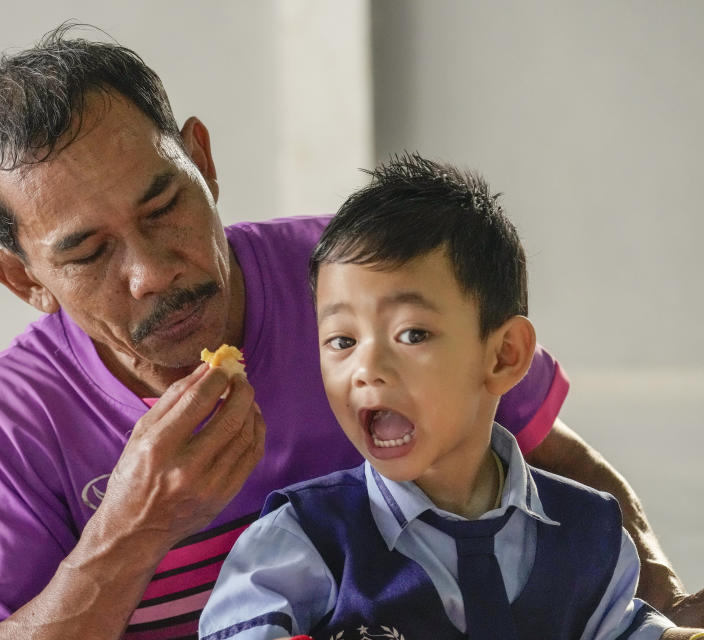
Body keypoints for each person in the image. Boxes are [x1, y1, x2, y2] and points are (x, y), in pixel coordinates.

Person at [0, 24, 702, 640]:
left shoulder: (349, 279)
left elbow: (548, 455)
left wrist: (665, 602)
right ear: (25, 280)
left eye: (164, 203)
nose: (153, 272)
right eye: (89, 252)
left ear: (203, 158)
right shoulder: (11, 426)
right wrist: (132, 531)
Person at [197, 154, 702, 640]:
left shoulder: (593, 532)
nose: (367, 369)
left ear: (504, 355)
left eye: (412, 334)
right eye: (342, 341)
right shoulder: (297, 541)